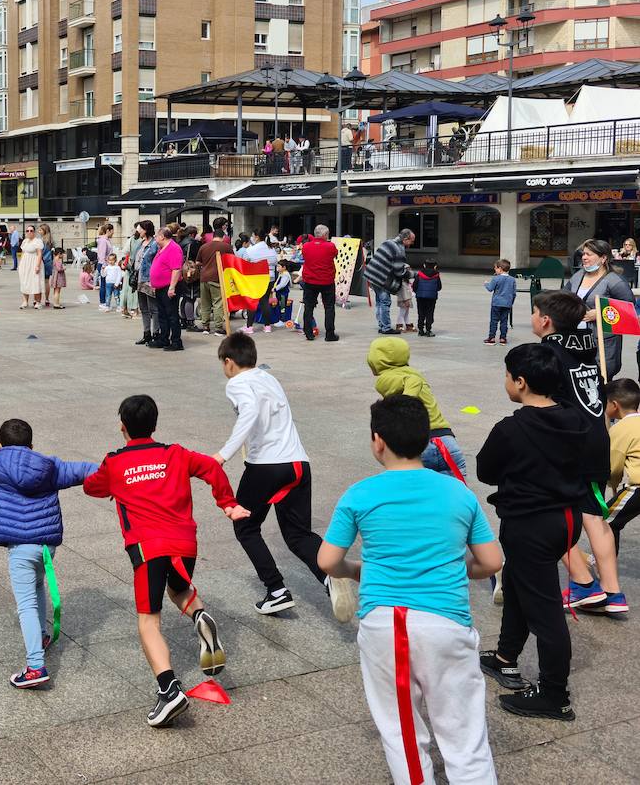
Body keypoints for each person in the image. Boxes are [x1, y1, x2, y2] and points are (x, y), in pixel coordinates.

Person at [318, 396, 501, 784]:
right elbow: (491, 561)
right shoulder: (459, 494)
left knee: (402, 731)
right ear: (427, 442)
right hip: (449, 621)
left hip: (387, 623)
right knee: (465, 733)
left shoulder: (359, 495)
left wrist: (355, 571)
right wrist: (457, 568)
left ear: (377, 441)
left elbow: (327, 561)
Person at [83, 395, 249, 728]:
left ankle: (169, 689)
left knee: (148, 621)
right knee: (179, 588)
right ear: (155, 425)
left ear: (122, 427)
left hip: (147, 548)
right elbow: (212, 468)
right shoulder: (176, 453)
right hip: (184, 543)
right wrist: (228, 504)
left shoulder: (115, 462)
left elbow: (92, 487)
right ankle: (200, 615)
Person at [478, 343, 589, 721]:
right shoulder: (576, 419)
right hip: (566, 520)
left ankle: (554, 694)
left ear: (521, 382)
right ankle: (507, 657)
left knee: (545, 611)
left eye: (508, 375)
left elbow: (486, 471)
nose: (506, 381)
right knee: (519, 583)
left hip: (531, 524)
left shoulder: (512, 428)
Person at [0, 415, 96, 688]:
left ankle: (36, 666)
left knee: (25, 602)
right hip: (46, 546)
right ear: (31, 445)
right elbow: (84, 470)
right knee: (38, 585)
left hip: (21, 547)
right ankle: (41, 634)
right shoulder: (49, 466)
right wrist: (119, 473)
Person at [214, 333, 352, 617]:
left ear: (229, 363)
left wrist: (223, 454)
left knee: (246, 527)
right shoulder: (269, 378)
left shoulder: (236, 382)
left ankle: (276, 590)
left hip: (266, 466)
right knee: (298, 534)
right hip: (298, 463)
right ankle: (328, 575)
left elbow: (249, 412)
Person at [530, 290, 623, 613]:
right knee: (594, 518)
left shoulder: (546, 353)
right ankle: (613, 592)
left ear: (545, 320)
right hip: (597, 439)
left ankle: (583, 583)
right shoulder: (589, 346)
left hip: (565, 443)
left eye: (533, 313)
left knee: (547, 513)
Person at [366, 335, 468, 479]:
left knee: (416, 494)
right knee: (453, 494)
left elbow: (412, 382)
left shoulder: (384, 379)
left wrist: (406, 404)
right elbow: (413, 379)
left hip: (421, 444)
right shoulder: (413, 372)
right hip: (446, 441)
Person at [565, 238, 635, 378]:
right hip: (576, 340)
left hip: (602, 343)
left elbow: (629, 309)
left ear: (603, 258)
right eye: (583, 254)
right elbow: (564, 297)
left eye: (589, 254)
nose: (584, 257)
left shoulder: (614, 281)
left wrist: (601, 313)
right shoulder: (578, 276)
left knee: (600, 381)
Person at [604, 378, 640, 569]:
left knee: (606, 522)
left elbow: (614, 467)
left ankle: (606, 565)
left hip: (638, 487)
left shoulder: (619, 429)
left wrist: (612, 482)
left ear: (614, 405)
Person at [365, 229, 413, 336]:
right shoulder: (399, 249)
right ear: (405, 239)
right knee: (385, 302)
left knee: (379, 301)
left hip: (372, 275)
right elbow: (399, 271)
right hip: (381, 278)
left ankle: (382, 325)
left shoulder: (388, 242)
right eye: (411, 241)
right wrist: (413, 274)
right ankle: (386, 328)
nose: (412, 244)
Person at [299, 225, 339, 343]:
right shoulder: (330, 246)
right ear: (325, 235)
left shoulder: (306, 246)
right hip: (327, 281)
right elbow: (335, 254)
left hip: (310, 280)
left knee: (309, 307)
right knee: (329, 307)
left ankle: (308, 333)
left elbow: (304, 257)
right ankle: (330, 334)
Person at [149, 225, 184, 351]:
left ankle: (176, 341)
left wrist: (172, 287)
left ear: (162, 236)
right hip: (160, 287)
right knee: (162, 314)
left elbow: (176, 269)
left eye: (157, 236)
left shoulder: (174, 248)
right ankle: (163, 339)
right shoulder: (162, 248)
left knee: (172, 314)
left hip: (169, 287)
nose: (155, 238)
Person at [196, 229, 233, 335]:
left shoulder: (203, 247)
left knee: (205, 303)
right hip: (217, 278)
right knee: (218, 303)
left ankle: (205, 327)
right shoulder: (226, 247)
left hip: (204, 278)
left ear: (213, 236)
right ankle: (218, 328)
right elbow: (232, 261)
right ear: (223, 237)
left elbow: (198, 262)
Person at [134, 222, 160, 346]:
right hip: (139, 279)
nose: (138, 231)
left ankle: (156, 333)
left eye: (140, 229)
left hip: (149, 279)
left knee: (153, 308)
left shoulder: (154, 244)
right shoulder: (140, 243)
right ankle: (146, 333)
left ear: (146, 230)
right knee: (143, 308)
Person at [484, 259, 517, 345]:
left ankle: (491, 338)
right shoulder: (512, 279)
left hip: (496, 303)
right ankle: (503, 338)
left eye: (495, 268)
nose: (495, 270)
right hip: (507, 304)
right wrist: (511, 303)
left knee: (494, 321)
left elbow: (490, 288)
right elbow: (514, 293)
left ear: (500, 268)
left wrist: (486, 283)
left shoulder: (496, 278)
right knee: (504, 321)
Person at [17, 224, 44, 309]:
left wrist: (37, 266)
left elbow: (39, 254)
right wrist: (20, 264)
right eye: (27, 231)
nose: (29, 232)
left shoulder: (38, 241)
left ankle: (37, 302)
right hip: (25, 263)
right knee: (25, 282)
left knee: (36, 282)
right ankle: (25, 301)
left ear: (34, 232)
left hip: (34, 262)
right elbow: (23, 253)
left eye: (31, 231)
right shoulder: (25, 241)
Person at [414, 260, 442, 337]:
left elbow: (414, 286)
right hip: (431, 297)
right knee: (429, 313)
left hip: (420, 297)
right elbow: (439, 287)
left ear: (424, 265)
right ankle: (428, 330)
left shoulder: (419, 274)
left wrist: (417, 292)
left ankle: (420, 330)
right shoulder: (436, 275)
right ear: (435, 266)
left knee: (421, 313)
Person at [95, 224, 115, 309]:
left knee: (105, 284)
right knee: (104, 284)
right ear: (108, 231)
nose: (113, 233)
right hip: (104, 264)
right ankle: (103, 303)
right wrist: (104, 266)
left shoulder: (105, 240)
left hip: (106, 264)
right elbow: (102, 254)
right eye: (112, 231)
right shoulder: (103, 240)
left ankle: (105, 302)